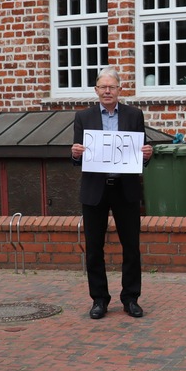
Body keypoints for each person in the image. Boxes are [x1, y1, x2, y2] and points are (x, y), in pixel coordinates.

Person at [70, 67, 153, 320]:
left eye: (112, 87)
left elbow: (140, 151)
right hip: (95, 190)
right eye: (102, 87)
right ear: (96, 91)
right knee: (94, 248)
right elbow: (77, 156)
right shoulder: (83, 117)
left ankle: (130, 298)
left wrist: (147, 155)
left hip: (125, 189)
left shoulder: (133, 115)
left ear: (119, 89)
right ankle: (99, 300)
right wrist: (75, 154)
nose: (107, 91)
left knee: (131, 247)